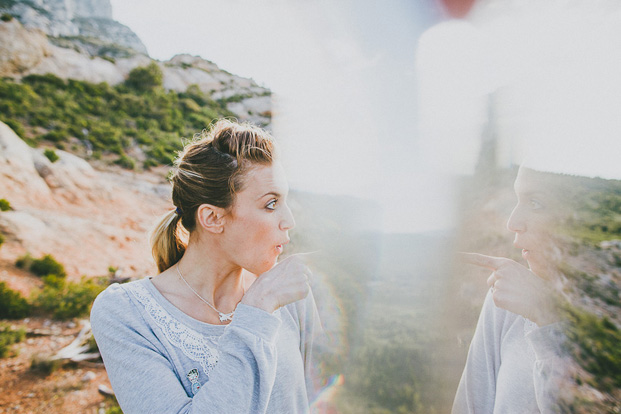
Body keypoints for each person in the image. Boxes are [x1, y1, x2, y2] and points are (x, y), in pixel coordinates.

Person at [90, 120, 322, 413]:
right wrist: (257, 310)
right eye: (271, 204)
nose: (289, 221)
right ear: (212, 218)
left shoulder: (289, 295)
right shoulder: (126, 313)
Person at [452, 166, 572, 413]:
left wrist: (548, 317)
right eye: (518, 200)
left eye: (536, 203)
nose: (513, 223)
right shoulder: (507, 298)